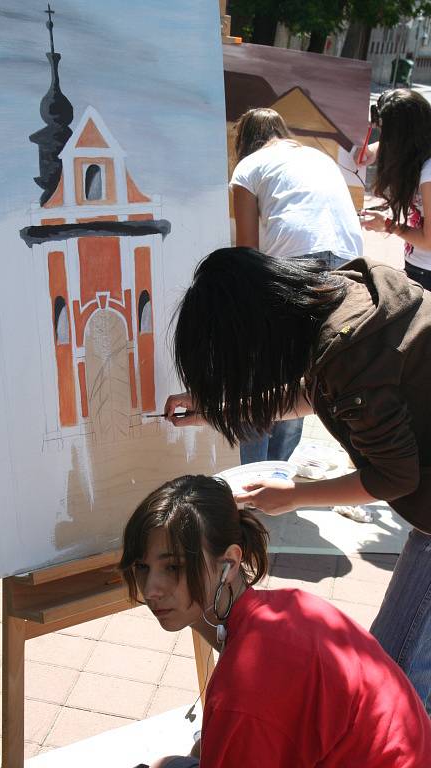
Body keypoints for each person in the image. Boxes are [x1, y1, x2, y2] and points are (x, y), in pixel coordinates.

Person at [164, 247, 431, 714]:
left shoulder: (348, 350)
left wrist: (297, 496)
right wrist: (225, 408)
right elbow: (317, 390)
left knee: (403, 685)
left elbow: (395, 474)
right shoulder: (340, 296)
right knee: (389, 668)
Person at [120, 475, 431, 768]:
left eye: (173, 567)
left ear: (228, 564)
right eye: (142, 567)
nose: (150, 590)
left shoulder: (244, 691)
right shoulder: (288, 603)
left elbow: (252, 713)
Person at [230, 108, 363, 464]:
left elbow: (246, 253)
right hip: (351, 266)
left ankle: (256, 475)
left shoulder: (248, 167)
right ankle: (278, 469)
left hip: (298, 264)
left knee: (260, 375)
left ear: (244, 142)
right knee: (307, 373)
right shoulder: (318, 157)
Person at [359, 88, 431, 291]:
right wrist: (373, 149)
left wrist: (388, 225)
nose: (385, 139)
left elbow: (428, 240)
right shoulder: (423, 146)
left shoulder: (429, 175)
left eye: (388, 134)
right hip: (419, 265)